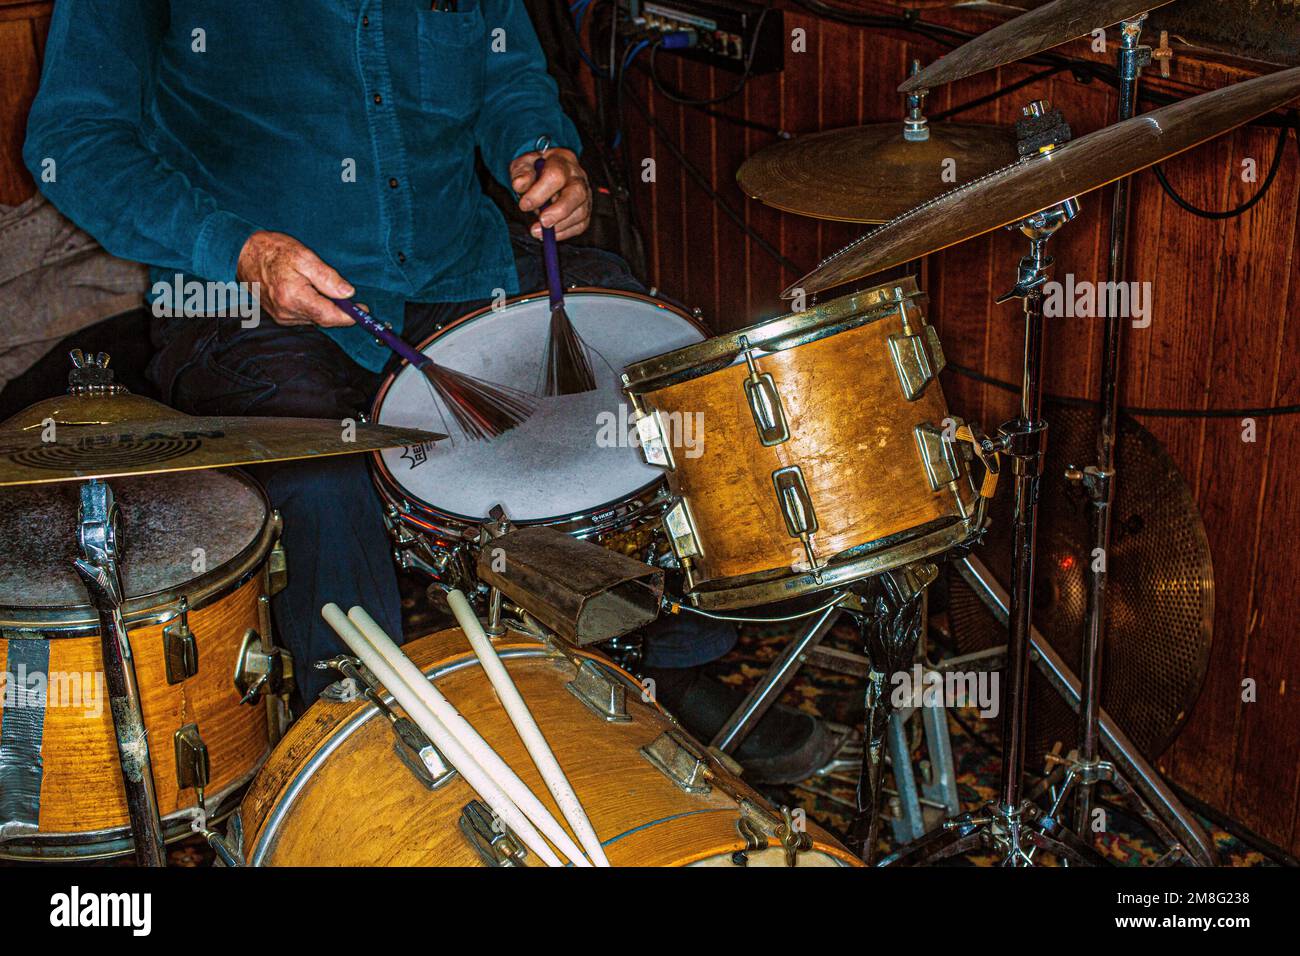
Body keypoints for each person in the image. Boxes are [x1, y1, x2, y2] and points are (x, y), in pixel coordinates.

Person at [24, 0, 834, 784]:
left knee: (640, 368)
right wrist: (237, 251)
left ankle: (666, 665)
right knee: (322, 476)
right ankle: (370, 741)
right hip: (243, 294)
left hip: (455, 266)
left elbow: (505, 66)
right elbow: (73, 139)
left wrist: (540, 150)